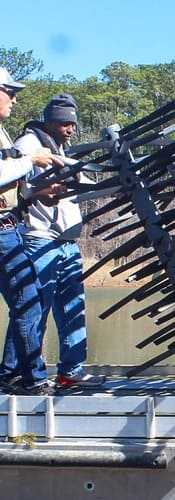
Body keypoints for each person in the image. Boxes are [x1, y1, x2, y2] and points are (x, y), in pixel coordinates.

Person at [13, 93, 104, 388]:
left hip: (66, 240)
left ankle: (71, 370)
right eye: (64, 123)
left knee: (72, 305)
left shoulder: (64, 149)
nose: (70, 128)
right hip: (40, 238)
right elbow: (13, 183)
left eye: (72, 123)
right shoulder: (28, 144)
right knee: (34, 309)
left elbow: (87, 182)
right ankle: (22, 373)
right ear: (49, 121)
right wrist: (34, 192)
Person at [0, 67, 63, 395]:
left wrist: (37, 192)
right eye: (8, 90)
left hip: (8, 227)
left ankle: (12, 374)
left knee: (27, 300)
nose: (14, 97)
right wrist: (31, 160)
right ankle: (33, 380)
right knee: (28, 302)